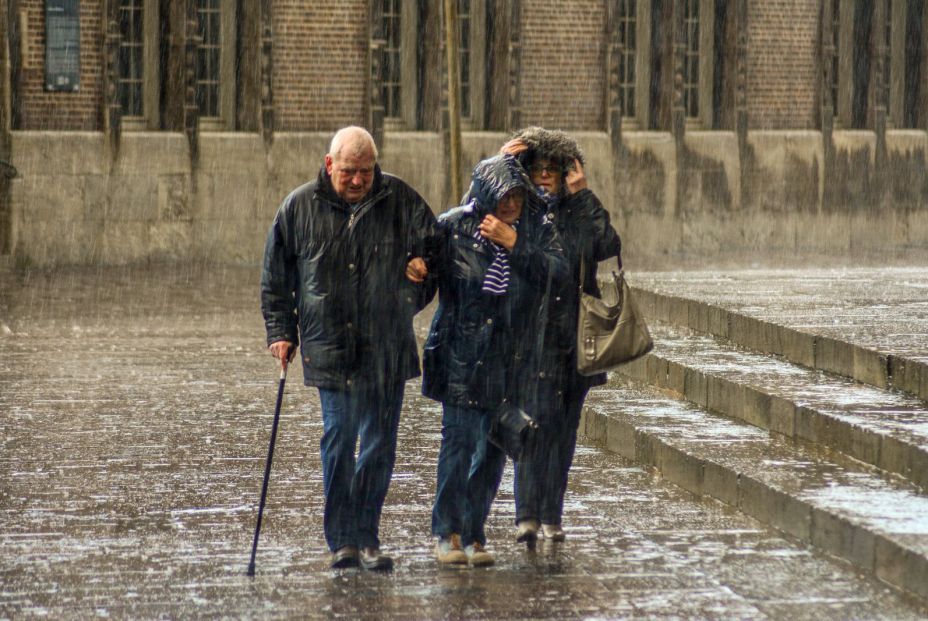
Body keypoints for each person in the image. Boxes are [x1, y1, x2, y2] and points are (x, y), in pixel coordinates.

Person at [260, 126, 438, 571]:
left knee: (379, 447)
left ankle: (366, 535)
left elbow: (437, 248)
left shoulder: (400, 199)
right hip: (330, 346)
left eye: (366, 171)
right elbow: (276, 278)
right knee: (339, 441)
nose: (358, 180)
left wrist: (419, 275)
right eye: (349, 172)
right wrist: (281, 331)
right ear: (329, 165)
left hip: (386, 347)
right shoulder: (298, 207)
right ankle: (342, 540)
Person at [422, 154, 566, 567]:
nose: (511, 204)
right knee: (458, 444)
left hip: (509, 360)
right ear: (486, 195)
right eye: (504, 197)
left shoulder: (536, 230)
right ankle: (446, 531)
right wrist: (414, 268)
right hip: (462, 356)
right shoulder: (454, 226)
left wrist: (516, 245)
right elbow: (425, 276)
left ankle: (473, 532)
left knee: (491, 452)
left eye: (518, 196)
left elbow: (556, 276)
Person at [501, 127, 622, 544]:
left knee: (564, 431)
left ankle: (551, 513)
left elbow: (607, 243)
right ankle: (527, 514)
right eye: (537, 167)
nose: (544, 176)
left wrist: (583, 194)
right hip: (528, 336)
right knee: (532, 425)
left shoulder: (577, 211)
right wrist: (500, 165)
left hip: (573, 339)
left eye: (553, 169)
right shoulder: (518, 209)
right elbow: (476, 213)